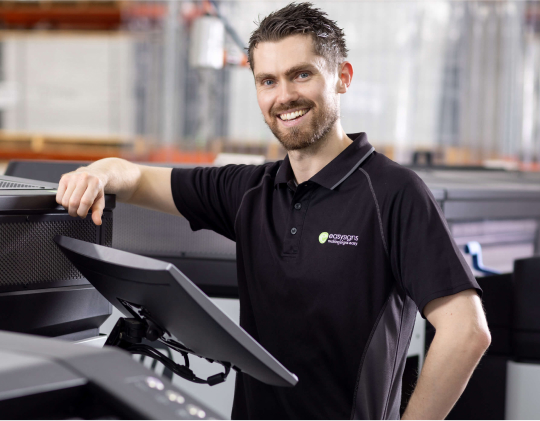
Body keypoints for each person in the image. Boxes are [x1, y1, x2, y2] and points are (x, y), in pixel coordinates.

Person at [57, 2, 490, 419]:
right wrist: (95, 174)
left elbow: (466, 331)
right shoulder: (249, 189)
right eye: (267, 81)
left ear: (342, 77)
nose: (284, 96)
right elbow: (134, 178)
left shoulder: (394, 193)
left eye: (300, 74)